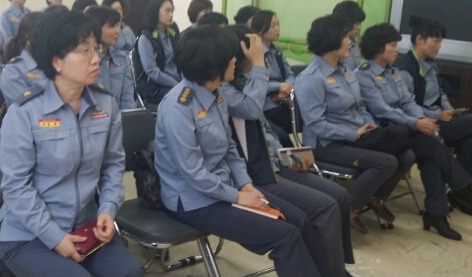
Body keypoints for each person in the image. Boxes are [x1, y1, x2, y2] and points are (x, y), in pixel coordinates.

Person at [154, 26, 321, 277]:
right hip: (194, 201)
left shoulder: (216, 93)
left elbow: (229, 147)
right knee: (286, 235)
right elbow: (194, 174)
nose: (235, 60)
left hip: (225, 188)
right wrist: (237, 196)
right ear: (212, 65)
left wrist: (245, 184)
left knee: (299, 219)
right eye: (229, 56)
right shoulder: (178, 107)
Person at [0, 10, 143, 277]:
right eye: (84, 51)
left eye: (95, 48)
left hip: (85, 227)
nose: (96, 58)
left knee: (130, 272)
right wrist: (55, 237)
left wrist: (108, 209)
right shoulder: (26, 112)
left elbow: (113, 165)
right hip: (28, 233)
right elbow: (15, 187)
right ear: (56, 61)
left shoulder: (105, 104)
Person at [223, 24, 352, 276]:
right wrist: (259, 64)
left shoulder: (245, 81)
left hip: (275, 162)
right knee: (324, 208)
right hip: (258, 173)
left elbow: (265, 133)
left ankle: (335, 267)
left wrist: (289, 157)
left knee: (339, 196)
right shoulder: (228, 89)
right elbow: (251, 110)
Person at [295, 14, 415, 234]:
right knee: (386, 162)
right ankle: (347, 208)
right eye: (345, 37)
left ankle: (374, 197)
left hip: (357, 135)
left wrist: (370, 127)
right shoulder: (310, 78)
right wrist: (354, 133)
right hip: (326, 145)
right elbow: (316, 125)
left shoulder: (345, 70)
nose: (350, 42)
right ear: (331, 41)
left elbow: (360, 107)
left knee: (406, 155)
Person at [356, 23, 472, 240]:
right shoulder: (364, 75)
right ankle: (461, 188)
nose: (397, 49)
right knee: (431, 143)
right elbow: (383, 110)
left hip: (405, 130)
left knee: (430, 149)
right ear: (378, 47)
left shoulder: (392, 71)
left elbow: (408, 101)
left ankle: (437, 214)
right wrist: (416, 123)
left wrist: (421, 119)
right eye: (392, 45)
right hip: (384, 134)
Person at [396, 16, 472, 214]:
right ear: (420, 40)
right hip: (419, 125)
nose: (439, 46)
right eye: (436, 41)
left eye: (441, 41)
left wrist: (449, 110)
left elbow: (441, 93)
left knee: (469, 139)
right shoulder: (405, 68)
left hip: (438, 120)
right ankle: (463, 189)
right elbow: (407, 106)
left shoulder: (431, 64)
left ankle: (453, 198)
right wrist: (437, 114)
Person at [251, 10, 297, 135]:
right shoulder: (254, 53)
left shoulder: (277, 50)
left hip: (284, 102)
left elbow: (290, 74)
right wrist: (278, 86)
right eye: (273, 26)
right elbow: (252, 84)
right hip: (266, 106)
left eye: (278, 24)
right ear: (260, 30)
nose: (278, 28)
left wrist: (287, 87)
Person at [85, 6, 135, 109]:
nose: (117, 31)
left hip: (119, 116)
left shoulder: (122, 59)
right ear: (97, 28)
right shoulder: (86, 61)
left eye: (118, 26)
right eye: (112, 26)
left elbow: (128, 100)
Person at [136, 0, 181, 104]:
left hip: (177, 81)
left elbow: (181, 58)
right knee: (182, 99)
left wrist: (186, 81)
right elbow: (152, 71)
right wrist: (176, 84)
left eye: (172, 11)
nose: (171, 15)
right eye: (167, 11)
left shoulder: (173, 30)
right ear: (156, 12)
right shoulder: (146, 38)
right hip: (156, 86)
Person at [0, 12, 45, 102]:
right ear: (28, 40)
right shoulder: (13, 72)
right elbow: (28, 107)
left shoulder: (53, 65)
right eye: (45, 38)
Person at [333, 0, 366, 71]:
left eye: (360, 24)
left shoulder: (354, 44)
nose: (359, 28)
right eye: (356, 24)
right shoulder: (333, 46)